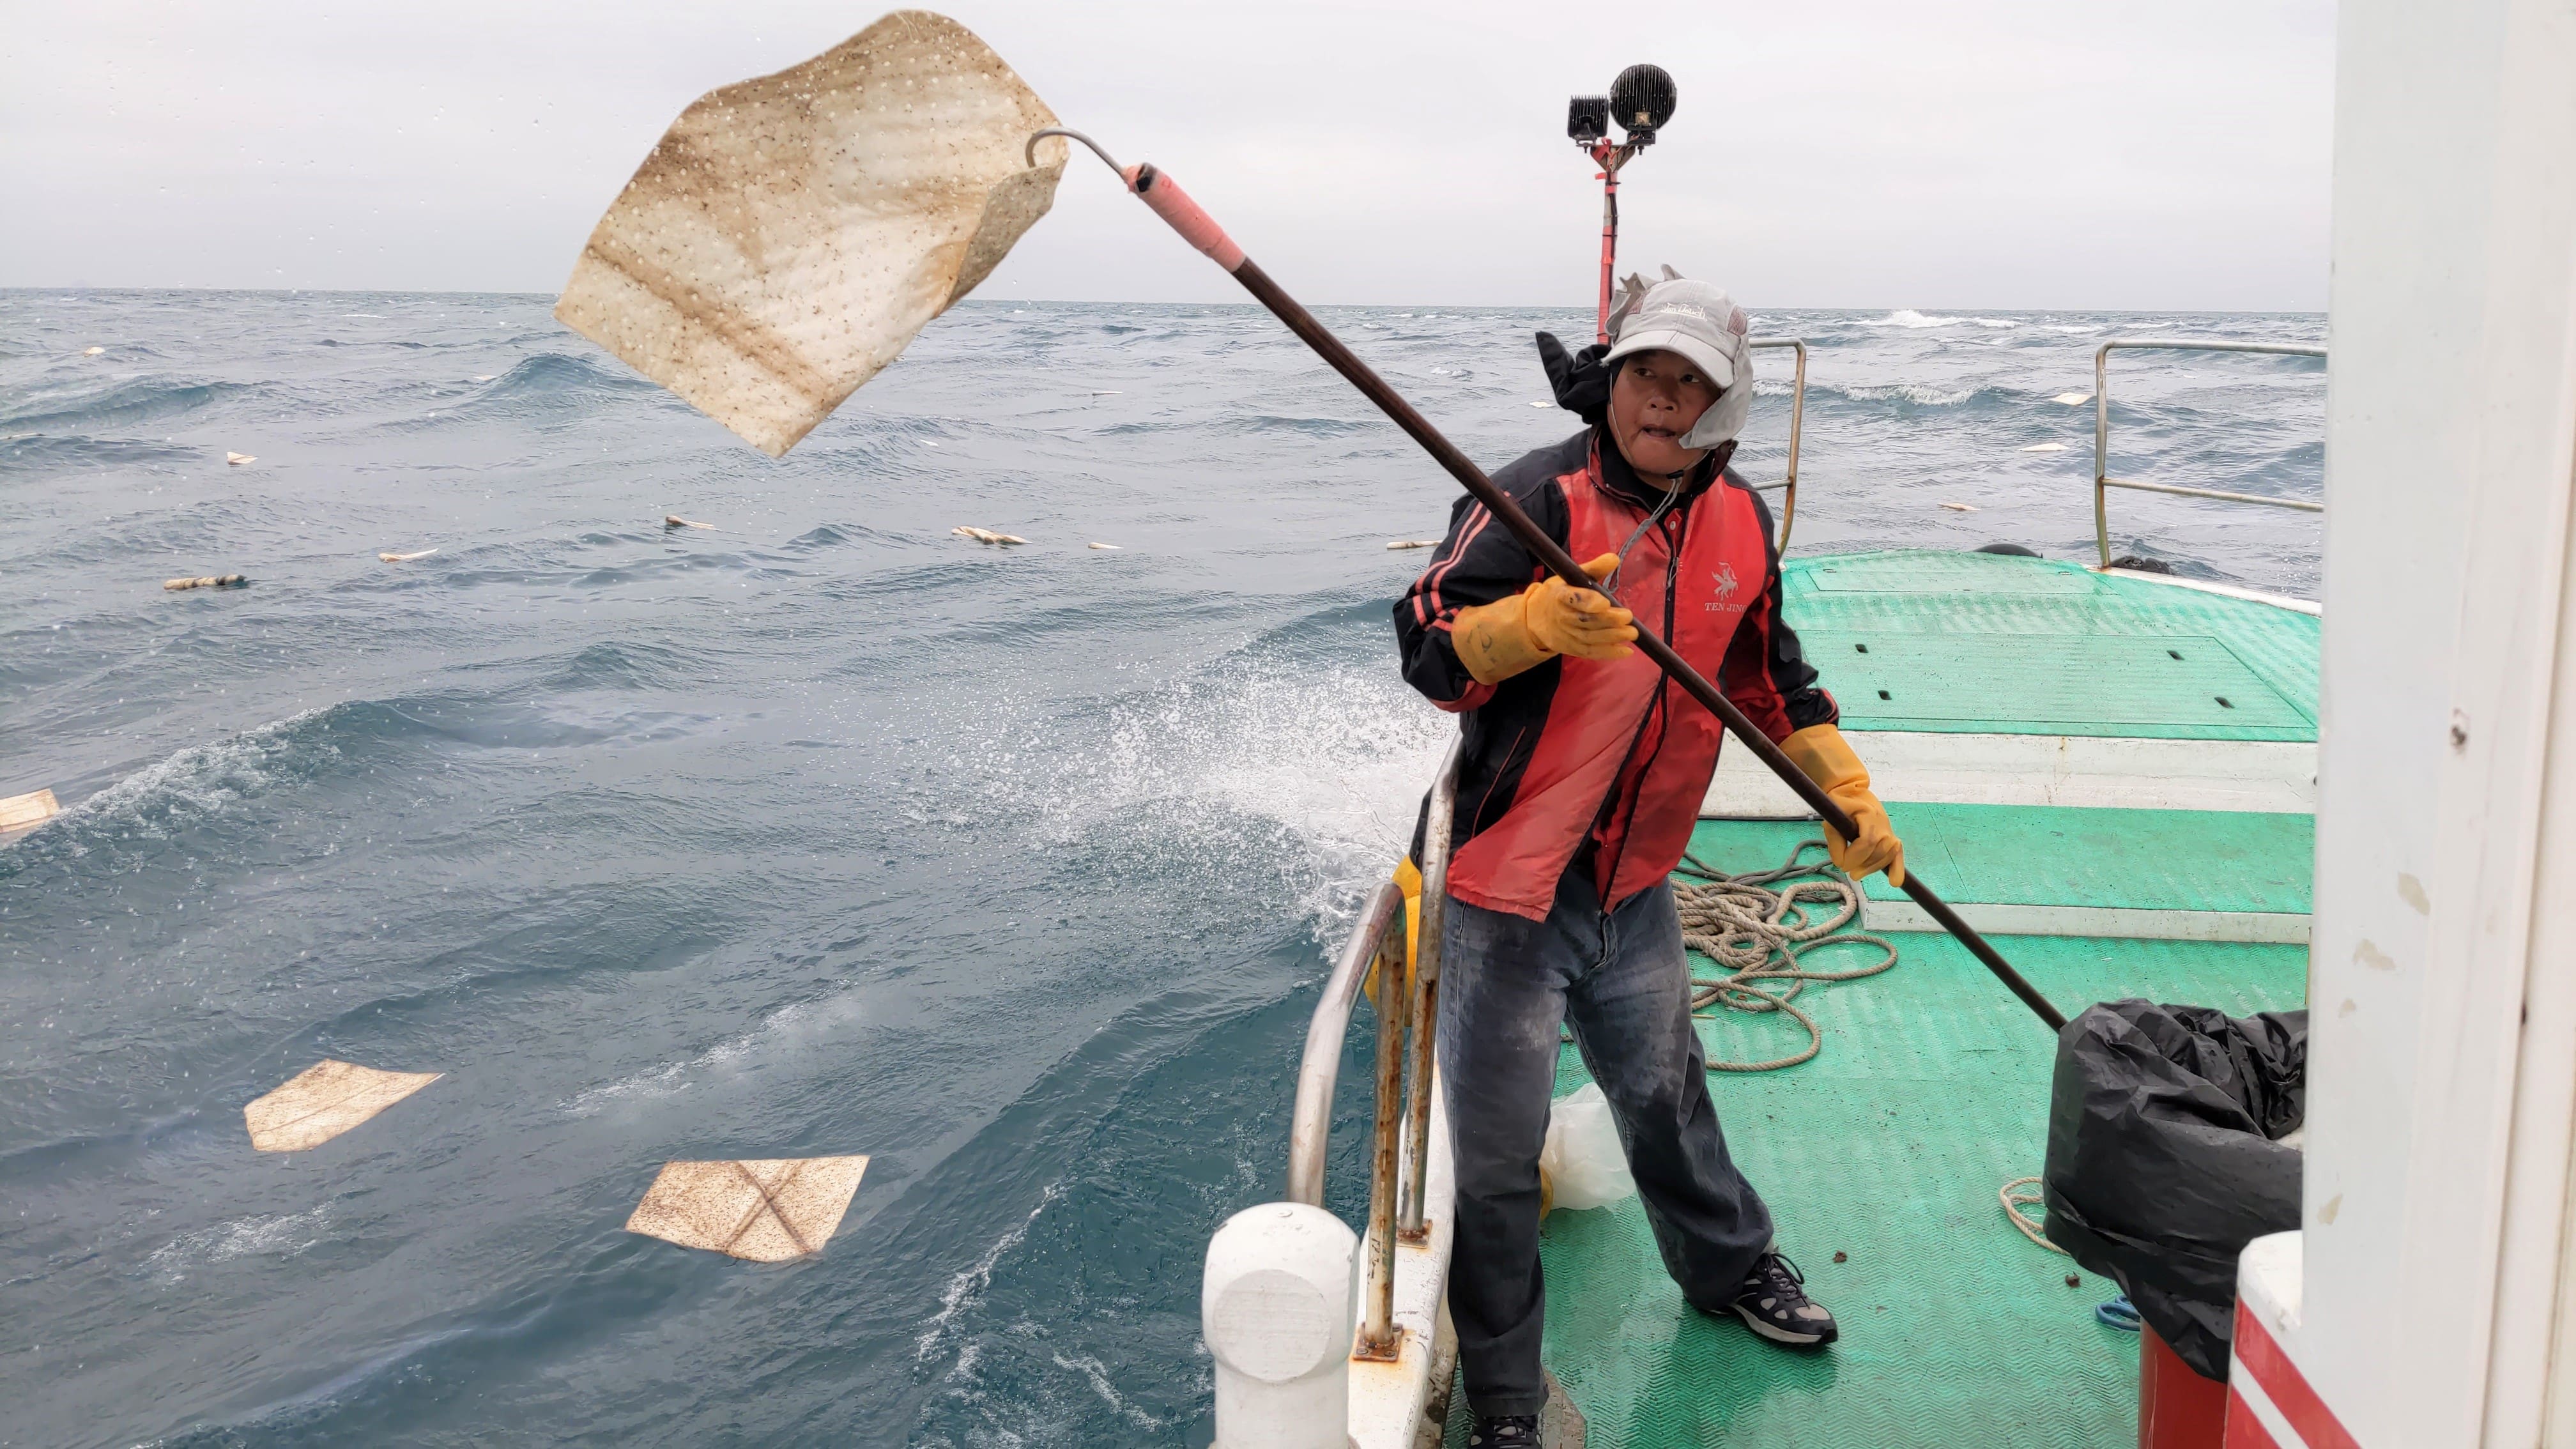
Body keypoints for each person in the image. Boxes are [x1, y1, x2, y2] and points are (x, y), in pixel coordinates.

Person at [1392, 275, 1906, 1446]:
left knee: (1668, 1100)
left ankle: (1729, 1271)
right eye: (1644, 376)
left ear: (1727, 407)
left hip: (1638, 884)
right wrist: (1524, 626)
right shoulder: (1534, 497)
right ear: (1610, 380)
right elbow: (1426, 644)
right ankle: (1509, 1397)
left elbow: (1769, 678)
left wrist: (1843, 791)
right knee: (1495, 1165)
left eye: (1691, 383)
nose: (1662, 402)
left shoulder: (1740, 520)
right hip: (1507, 892)